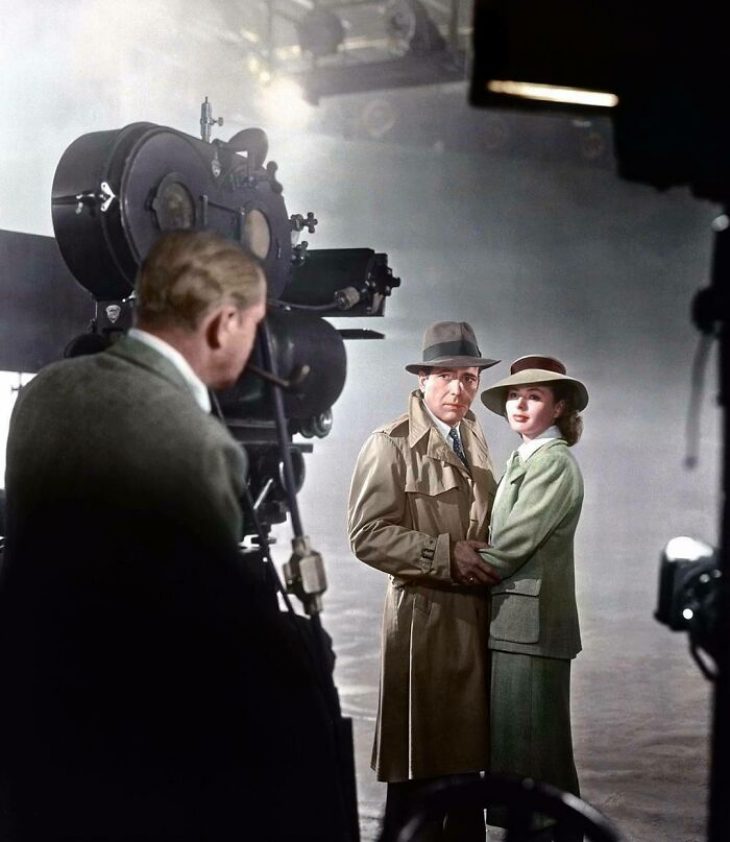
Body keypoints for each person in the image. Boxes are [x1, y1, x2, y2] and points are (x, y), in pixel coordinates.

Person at [0, 229, 347, 841]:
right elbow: (207, 640)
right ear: (223, 324)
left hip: (30, 736)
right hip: (132, 764)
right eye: (253, 327)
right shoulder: (195, 441)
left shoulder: (44, 393)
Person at [348, 321, 502, 841]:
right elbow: (367, 535)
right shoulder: (390, 444)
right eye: (446, 376)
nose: (459, 388)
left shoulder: (473, 433)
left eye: (469, 378)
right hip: (424, 624)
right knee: (419, 773)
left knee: (466, 776)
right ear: (422, 380)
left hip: (474, 621)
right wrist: (446, 553)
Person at [478, 354, 589, 841]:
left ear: (559, 407)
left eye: (534, 396)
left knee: (534, 751)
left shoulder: (553, 463)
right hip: (517, 624)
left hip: (532, 626)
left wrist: (444, 566)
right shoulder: (525, 458)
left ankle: (551, 834)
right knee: (523, 750)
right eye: (514, 396)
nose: (520, 405)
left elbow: (509, 547)